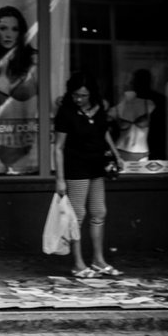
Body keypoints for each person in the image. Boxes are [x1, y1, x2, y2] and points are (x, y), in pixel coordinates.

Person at [53, 71, 125, 278]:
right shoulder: (66, 112)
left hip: (96, 165)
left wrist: (116, 154)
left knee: (99, 212)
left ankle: (98, 260)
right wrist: (60, 179)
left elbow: (104, 132)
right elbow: (58, 147)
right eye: (76, 95)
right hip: (76, 167)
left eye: (83, 95)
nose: (79, 99)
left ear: (91, 94)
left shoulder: (99, 108)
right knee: (77, 215)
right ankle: (78, 263)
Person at [0, 6, 39, 174]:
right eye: (3, 28)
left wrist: (38, 149)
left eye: (14, 29)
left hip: (27, 145)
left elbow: (45, 108)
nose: (8, 34)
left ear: (21, 33)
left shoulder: (34, 61)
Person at [109, 68, 157, 162]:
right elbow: (104, 121)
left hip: (142, 152)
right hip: (121, 150)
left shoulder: (149, 104)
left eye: (135, 81)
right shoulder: (121, 105)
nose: (133, 84)